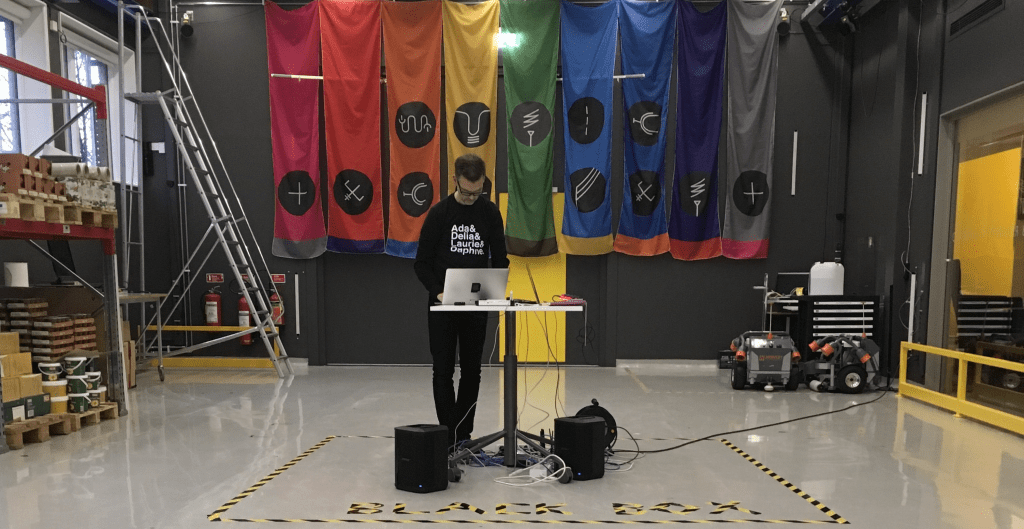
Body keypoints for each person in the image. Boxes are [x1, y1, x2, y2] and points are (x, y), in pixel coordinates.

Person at [414, 154, 509, 449]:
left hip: (476, 305)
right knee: (442, 370)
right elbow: (421, 263)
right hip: (442, 306)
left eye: (477, 192)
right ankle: (447, 433)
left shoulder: (490, 213)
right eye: (466, 192)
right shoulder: (439, 214)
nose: (471, 198)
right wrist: (438, 292)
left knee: (472, 371)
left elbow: (500, 258)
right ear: (454, 180)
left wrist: (494, 290)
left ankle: (463, 435)